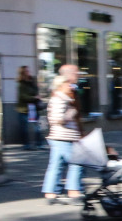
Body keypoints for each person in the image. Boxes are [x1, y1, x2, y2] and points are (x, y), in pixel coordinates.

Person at [42, 71, 85, 205]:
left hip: (59, 137)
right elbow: (56, 119)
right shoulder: (60, 99)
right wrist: (71, 113)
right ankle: (74, 192)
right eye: (68, 84)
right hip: (63, 137)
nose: (71, 86)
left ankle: (50, 194)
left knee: (56, 166)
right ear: (60, 85)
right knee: (77, 163)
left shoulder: (61, 98)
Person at [16, 66, 40, 149]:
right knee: (25, 128)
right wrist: (33, 97)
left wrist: (36, 96)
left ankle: (39, 143)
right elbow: (22, 96)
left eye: (28, 70)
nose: (28, 72)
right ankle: (26, 144)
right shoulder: (21, 83)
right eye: (26, 71)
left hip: (33, 107)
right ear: (23, 73)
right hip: (24, 109)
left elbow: (36, 91)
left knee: (36, 126)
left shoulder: (32, 81)